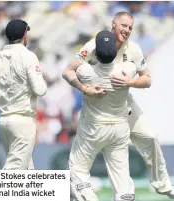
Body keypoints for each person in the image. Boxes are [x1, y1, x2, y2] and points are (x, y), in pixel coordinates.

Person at [62, 12, 174, 199]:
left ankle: (163, 184)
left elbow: (147, 79)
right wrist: (85, 88)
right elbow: (69, 70)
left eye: (130, 28)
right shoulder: (93, 45)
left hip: (124, 102)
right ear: (113, 24)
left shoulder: (133, 49)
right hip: (99, 107)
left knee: (150, 137)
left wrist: (131, 83)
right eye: (123, 26)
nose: (126, 31)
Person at [0, 19, 47, 170]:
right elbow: (40, 90)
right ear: (25, 36)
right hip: (23, 122)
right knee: (13, 172)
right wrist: (39, 76)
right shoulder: (29, 56)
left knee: (27, 171)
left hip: (4, 122)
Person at [69, 30, 136, 201]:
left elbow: (69, 69)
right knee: (121, 177)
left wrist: (92, 47)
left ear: (96, 52)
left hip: (93, 129)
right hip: (119, 129)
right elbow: (132, 63)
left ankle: (89, 197)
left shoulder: (86, 72)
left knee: (77, 170)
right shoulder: (128, 69)